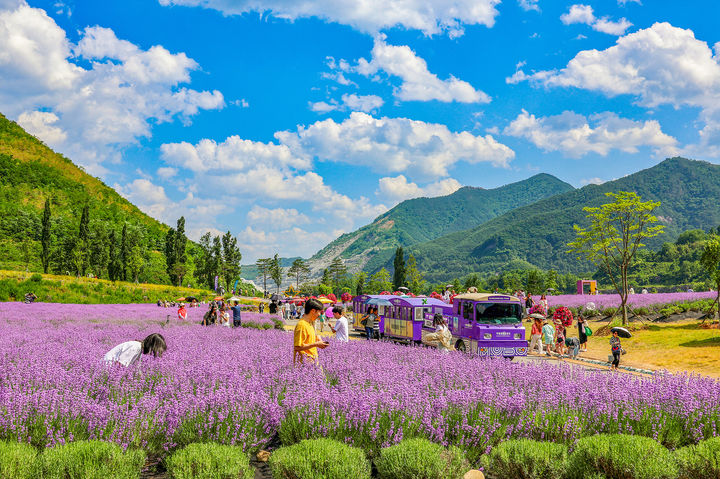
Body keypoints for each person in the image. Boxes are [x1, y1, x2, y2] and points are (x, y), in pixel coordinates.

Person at [293, 298, 328, 365]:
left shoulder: (309, 323)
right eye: (319, 312)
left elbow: (308, 339)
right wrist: (316, 344)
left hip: (312, 362)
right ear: (313, 311)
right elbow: (297, 347)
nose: (319, 315)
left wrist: (317, 338)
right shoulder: (301, 325)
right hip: (304, 365)